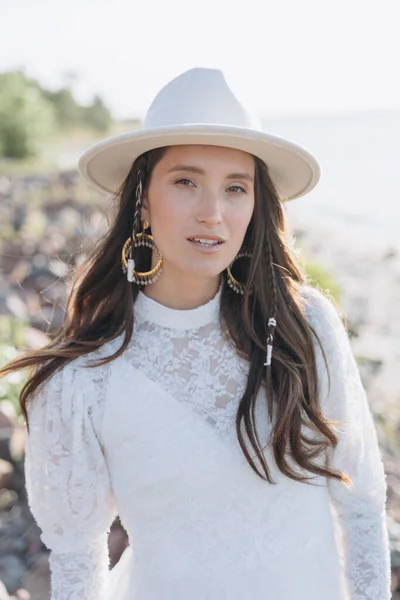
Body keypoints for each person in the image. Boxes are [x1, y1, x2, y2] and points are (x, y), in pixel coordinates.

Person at [0, 67, 391, 599]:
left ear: (256, 208)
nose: (213, 214)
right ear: (143, 199)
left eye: (236, 188)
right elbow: (77, 558)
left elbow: (363, 507)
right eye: (186, 182)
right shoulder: (82, 381)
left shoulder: (305, 326)